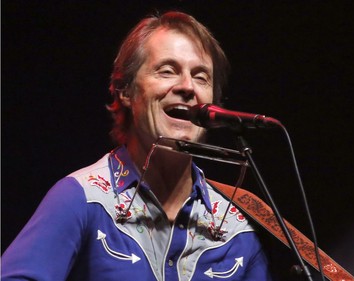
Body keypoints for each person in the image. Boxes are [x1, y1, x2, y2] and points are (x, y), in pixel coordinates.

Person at [1, 11, 272, 280]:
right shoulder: (82, 199)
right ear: (126, 90)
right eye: (168, 71)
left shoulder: (238, 229)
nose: (188, 87)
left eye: (201, 77)